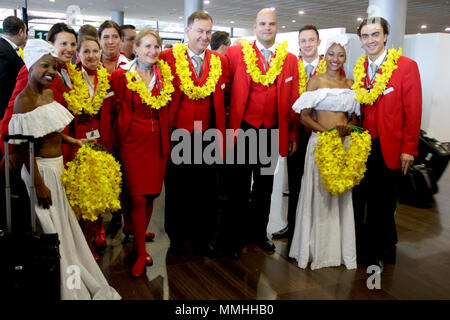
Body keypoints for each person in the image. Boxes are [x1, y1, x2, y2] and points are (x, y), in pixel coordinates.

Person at [8, 39, 121, 300]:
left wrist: (75, 141)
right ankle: (59, 285)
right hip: (41, 173)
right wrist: (38, 184)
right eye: (44, 65)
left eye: (54, 67)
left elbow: (51, 132)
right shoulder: (23, 101)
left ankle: (69, 274)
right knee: (51, 230)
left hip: (57, 170)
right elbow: (25, 149)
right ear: (30, 66)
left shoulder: (48, 94)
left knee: (65, 230)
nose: (50, 71)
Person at [224, 8, 299, 258]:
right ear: (255, 27)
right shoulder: (236, 53)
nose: (268, 27)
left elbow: (293, 101)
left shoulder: (288, 60)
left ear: (277, 28)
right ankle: (234, 237)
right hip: (244, 129)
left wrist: (292, 136)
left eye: (272, 24)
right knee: (239, 187)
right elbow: (223, 88)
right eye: (263, 23)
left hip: (272, 131)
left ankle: (258, 233)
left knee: (264, 187)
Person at [352, 17, 422, 271]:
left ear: (385, 37)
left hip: (391, 145)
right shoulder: (360, 67)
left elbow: (413, 110)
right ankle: (375, 245)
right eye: (365, 36)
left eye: (375, 34)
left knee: (384, 201)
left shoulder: (405, 66)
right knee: (365, 197)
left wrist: (409, 148)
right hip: (364, 144)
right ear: (361, 41)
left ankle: (379, 250)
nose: (370, 40)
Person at [159, 11, 228, 256]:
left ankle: (203, 237)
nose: (205, 36)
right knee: (178, 189)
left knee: (206, 190)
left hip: (207, 134)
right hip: (178, 133)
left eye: (208, 32)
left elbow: (225, 96)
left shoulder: (220, 61)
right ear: (187, 31)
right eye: (199, 31)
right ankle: (177, 238)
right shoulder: (167, 57)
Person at [288, 35, 359, 270]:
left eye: (340, 54)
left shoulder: (350, 85)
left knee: (340, 196)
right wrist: (328, 133)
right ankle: (314, 250)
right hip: (320, 144)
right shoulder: (315, 82)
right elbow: (305, 117)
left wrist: (348, 129)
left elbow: (355, 118)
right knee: (318, 195)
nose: (335, 59)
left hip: (344, 146)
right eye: (331, 54)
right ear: (324, 56)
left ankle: (339, 252)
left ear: (345, 57)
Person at [111, 29, 176, 277]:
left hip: (157, 142)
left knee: (151, 196)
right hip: (132, 142)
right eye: (147, 46)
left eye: (156, 47)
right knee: (137, 197)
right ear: (136, 49)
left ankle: (138, 231)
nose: (152, 51)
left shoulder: (165, 76)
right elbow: (114, 107)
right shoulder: (121, 75)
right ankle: (140, 252)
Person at [65, 35, 114, 260]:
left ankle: (100, 229)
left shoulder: (108, 78)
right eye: (86, 52)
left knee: (101, 188)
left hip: (102, 140)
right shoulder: (71, 78)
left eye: (95, 51)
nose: (92, 56)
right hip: (80, 140)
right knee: (84, 191)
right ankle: (84, 241)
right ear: (78, 54)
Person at [272, 25, 321, 242]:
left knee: (319, 183)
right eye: (303, 41)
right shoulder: (291, 67)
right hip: (297, 135)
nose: (308, 44)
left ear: (318, 42)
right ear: (299, 44)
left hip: (321, 134)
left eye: (311, 40)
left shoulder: (331, 67)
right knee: (294, 183)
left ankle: (315, 230)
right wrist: (290, 134)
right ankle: (292, 226)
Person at [0, 16, 27, 120]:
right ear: (20, 32)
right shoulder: (4, 51)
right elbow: (3, 86)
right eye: (25, 32)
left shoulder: (7, 48)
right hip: (5, 112)